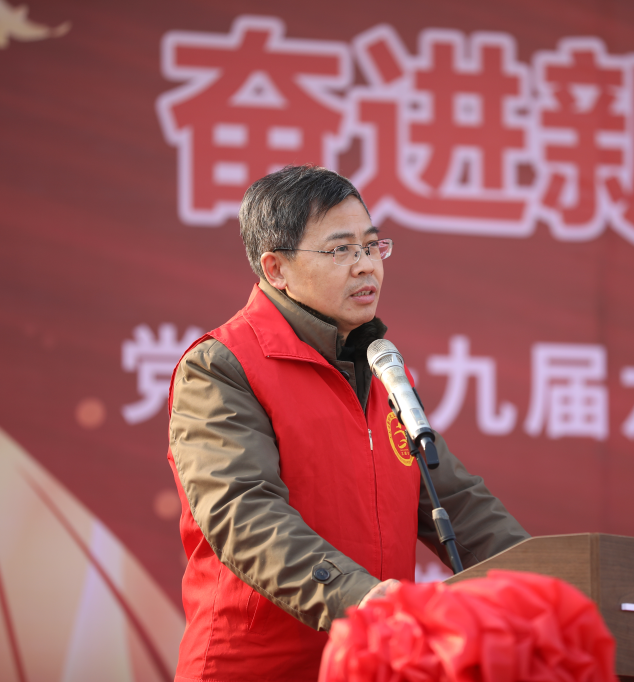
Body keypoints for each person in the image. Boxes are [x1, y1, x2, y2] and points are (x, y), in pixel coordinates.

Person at [167, 165, 529, 681]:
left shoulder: (382, 370)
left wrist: (549, 586)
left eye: (372, 246)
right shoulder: (222, 366)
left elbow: (457, 502)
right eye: (341, 250)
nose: (366, 267)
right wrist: (361, 599)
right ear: (276, 268)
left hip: (370, 664)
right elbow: (242, 513)